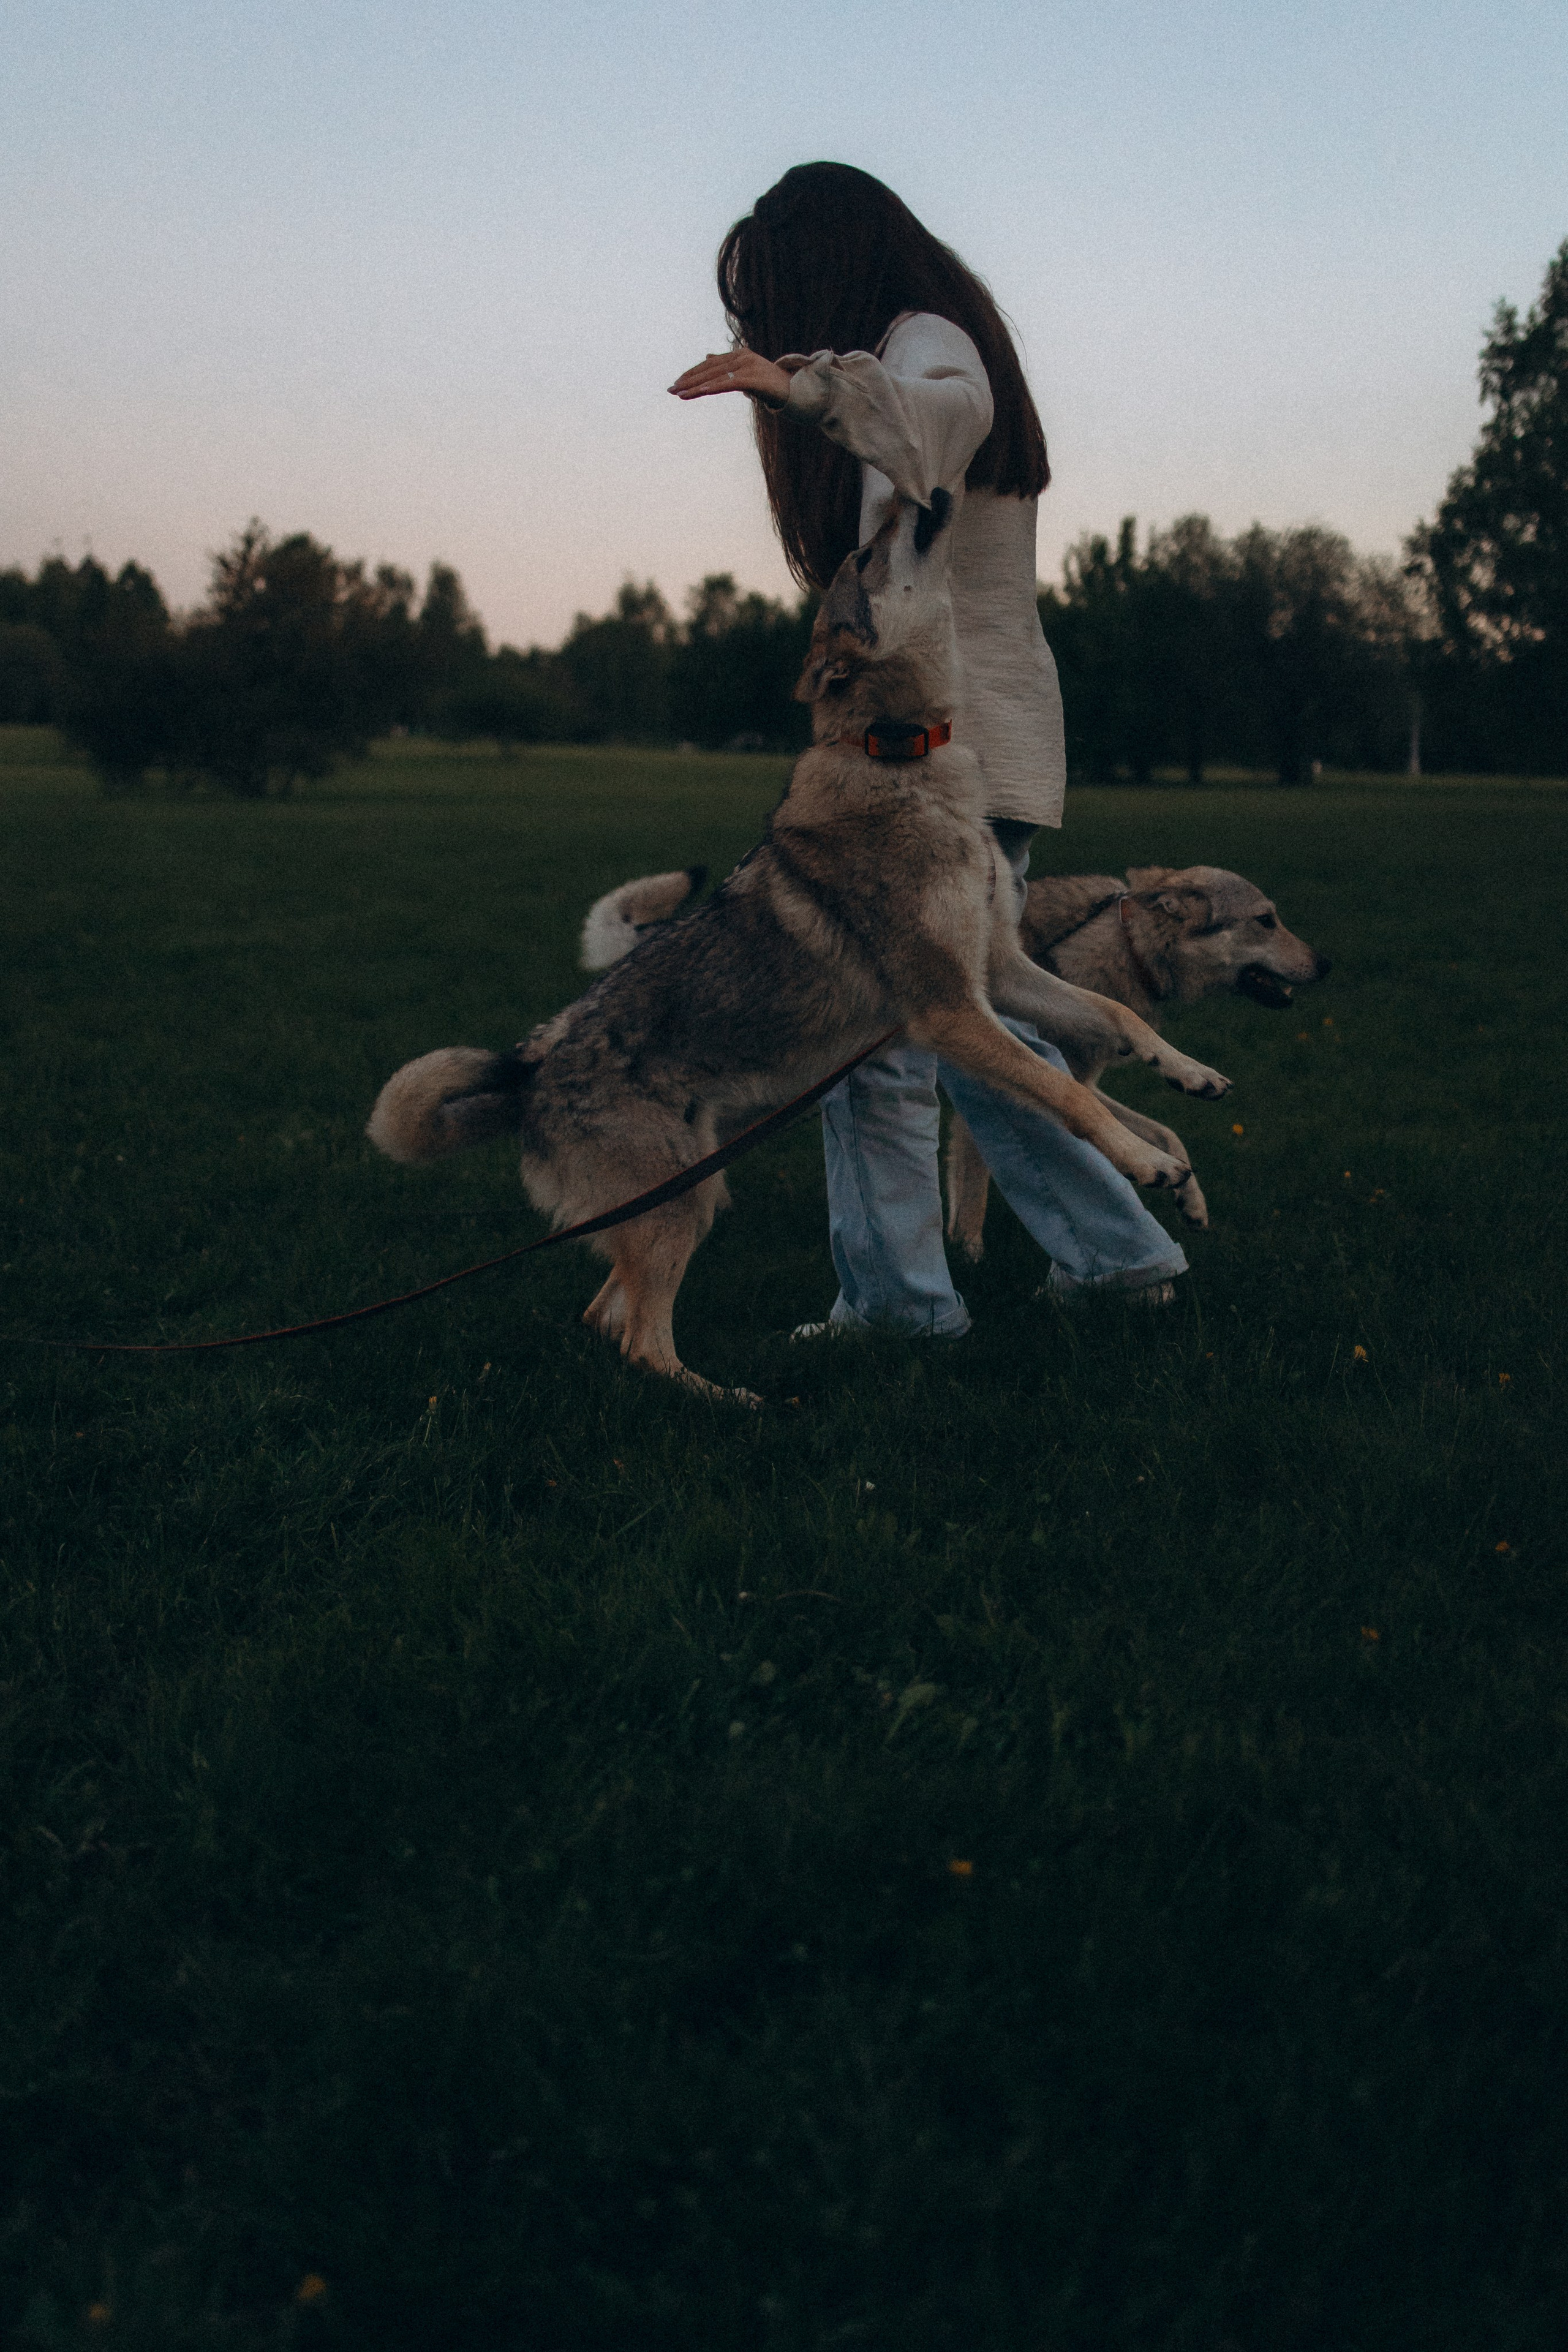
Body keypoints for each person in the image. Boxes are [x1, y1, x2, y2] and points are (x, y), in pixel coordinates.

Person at [670, 163, 1186, 1335]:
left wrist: (803, 385)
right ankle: (1101, 1262)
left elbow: (941, 417)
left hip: (948, 757)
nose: (767, 327)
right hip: (959, 752)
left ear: (830, 265)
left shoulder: (924, 344)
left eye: (775, 296)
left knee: (889, 1041)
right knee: (952, 1032)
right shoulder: (921, 345)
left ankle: (919, 1303)